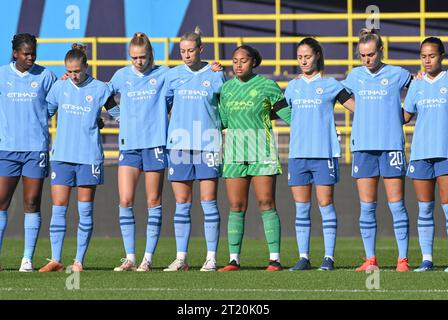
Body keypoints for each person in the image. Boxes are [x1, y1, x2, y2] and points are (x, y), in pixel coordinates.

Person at [38, 44, 114, 272]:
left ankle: (79, 261)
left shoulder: (100, 88)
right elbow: (44, 113)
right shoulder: (59, 87)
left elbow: (119, 115)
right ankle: (55, 259)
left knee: (85, 211)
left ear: (86, 67)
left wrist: (102, 120)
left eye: (77, 71)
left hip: (88, 158)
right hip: (62, 156)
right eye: (69, 71)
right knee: (58, 207)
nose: (74, 75)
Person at [342, 28, 412, 272]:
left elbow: (418, 91)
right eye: (362, 55)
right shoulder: (355, 76)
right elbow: (339, 94)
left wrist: (404, 115)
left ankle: (402, 260)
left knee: (396, 205)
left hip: (391, 145)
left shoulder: (397, 74)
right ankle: (371, 260)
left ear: (381, 51)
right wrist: (358, 109)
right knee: (367, 206)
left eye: (370, 54)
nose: (367, 60)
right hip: (363, 147)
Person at [217, 45, 291, 272]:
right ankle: (233, 260)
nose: (238, 65)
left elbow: (288, 115)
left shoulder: (267, 85)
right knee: (236, 206)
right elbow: (223, 121)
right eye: (235, 60)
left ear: (254, 63)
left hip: (262, 151)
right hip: (234, 153)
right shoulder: (226, 89)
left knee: (266, 202)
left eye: (244, 60)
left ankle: (275, 260)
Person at [285, 37, 354, 271]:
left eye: (307, 56)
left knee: (325, 204)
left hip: (324, 154)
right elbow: (280, 111)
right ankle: (303, 257)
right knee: (301, 208)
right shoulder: (292, 86)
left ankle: (328, 257)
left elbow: (356, 106)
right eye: (300, 57)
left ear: (317, 56)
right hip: (297, 155)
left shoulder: (331, 84)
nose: (303, 61)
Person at [162, 27, 225, 272]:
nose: (186, 55)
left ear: (201, 49)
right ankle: (181, 258)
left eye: (191, 50)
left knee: (208, 201)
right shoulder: (172, 75)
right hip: (179, 145)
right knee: (182, 203)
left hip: (207, 143)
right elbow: (164, 105)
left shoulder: (216, 73)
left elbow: (224, 105)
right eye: (183, 51)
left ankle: (211, 257)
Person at [108, 33, 171, 272]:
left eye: (142, 57)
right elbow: (103, 95)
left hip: (155, 144)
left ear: (150, 55)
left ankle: (147, 258)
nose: (138, 62)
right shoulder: (122, 75)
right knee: (125, 200)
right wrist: (118, 116)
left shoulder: (164, 73)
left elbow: (188, 78)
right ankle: (130, 257)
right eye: (134, 57)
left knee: (153, 200)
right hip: (129, 145)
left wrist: (211, 68)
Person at [0, 33, 57, 272]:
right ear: (15, 54)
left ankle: (27, 260)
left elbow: (57, 102)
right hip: (7, 149)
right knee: (1, 202)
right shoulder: (2, 75)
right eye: (26, 54)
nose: (30, 57)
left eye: (33, 53)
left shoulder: (46, 76)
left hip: (36, 149)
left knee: (32, 202)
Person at [403, 37, 448, 272]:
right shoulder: (417, 85)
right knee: (425, 208)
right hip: (421, 153)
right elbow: (405, 116)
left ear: (441, 56)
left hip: (445, 153)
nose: (427, 60)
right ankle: (427, 259)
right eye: (423, 56)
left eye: (431, 55)